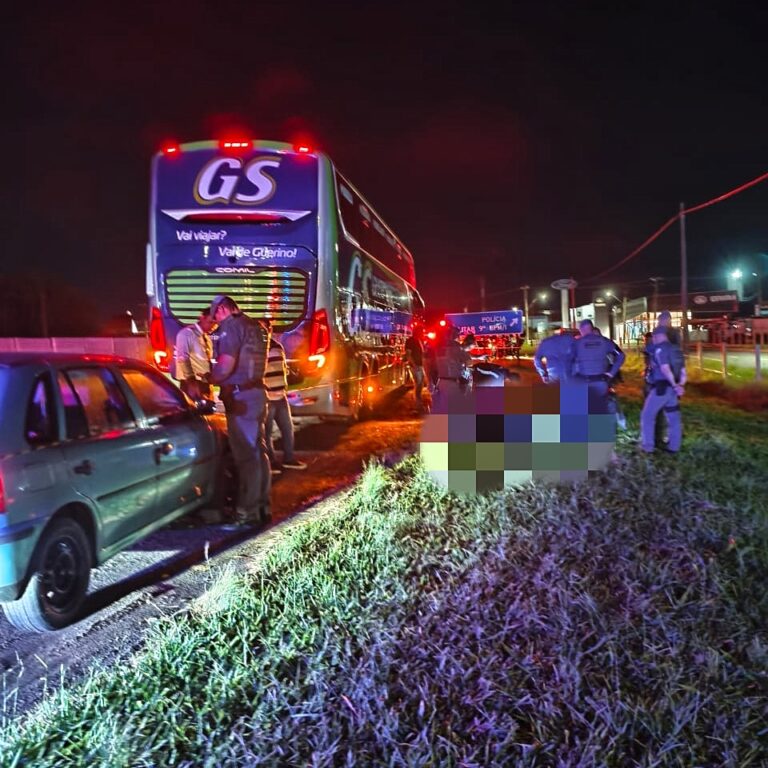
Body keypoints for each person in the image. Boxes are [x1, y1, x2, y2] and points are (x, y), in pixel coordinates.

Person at [209, 294, 272, 527]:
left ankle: (247, 513)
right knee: (259, 452)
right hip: (257, 393)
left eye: (216, 314)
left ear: (224, 309)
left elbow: (225, 364)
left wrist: (208, 378)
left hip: (240, 397)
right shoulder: (255, 325)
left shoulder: (232, 327)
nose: (216, 320)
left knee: (246, 456)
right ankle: (263, 505)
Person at [264, 323, 307, 473]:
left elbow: (283, 369)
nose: (266, 332)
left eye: (267, 329)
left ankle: (289, 458)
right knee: (267, 432)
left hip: (280, 396)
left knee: (287, 429)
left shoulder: (278, 347)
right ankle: (271, 462)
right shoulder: (257, 349)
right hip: (267, 398)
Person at [640, 325, 686, 453]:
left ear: (658, 336)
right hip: (673, 392)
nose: (652, 339)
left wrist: (674, 384)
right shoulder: (676, 350)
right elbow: (683, 372)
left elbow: (665, 368)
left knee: (647, 415)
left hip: (661, 388)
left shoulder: (659, 349)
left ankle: (647, 447)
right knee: (673, 417)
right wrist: (680, 386)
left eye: (654, 337)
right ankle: (674, 447)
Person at [572, 319, 625, 413]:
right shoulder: (605, 341)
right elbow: (621, 355)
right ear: (591, 328)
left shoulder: (577, 343)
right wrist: (611, 374)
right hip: (601, 381)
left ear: (582, 330)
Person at [174, 308, 215, 401]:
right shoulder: (187, 334)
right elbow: (183, 358)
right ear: (202, 318)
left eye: (215, 323)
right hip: (192, 384)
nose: (213, 326)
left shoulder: (206, 337)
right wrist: (191, 382)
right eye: (210, 322)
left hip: (205, 383)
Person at [432, 324, 472, 410]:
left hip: (441, 381)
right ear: (452, 334)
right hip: (453, 382)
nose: (458, 336)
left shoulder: (437, 346)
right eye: (457, 334)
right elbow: (468, 361)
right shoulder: (456, 346)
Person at [405, 326, 426, 412]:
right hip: (416, 366)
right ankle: (417, 404)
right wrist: (414, 365)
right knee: (418, 384)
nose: (423, 333)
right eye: (422, 331)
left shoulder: (418, 340)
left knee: (420, 384)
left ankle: (418, 403)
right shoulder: (411, 341)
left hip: (419, 365)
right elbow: (408, 354)